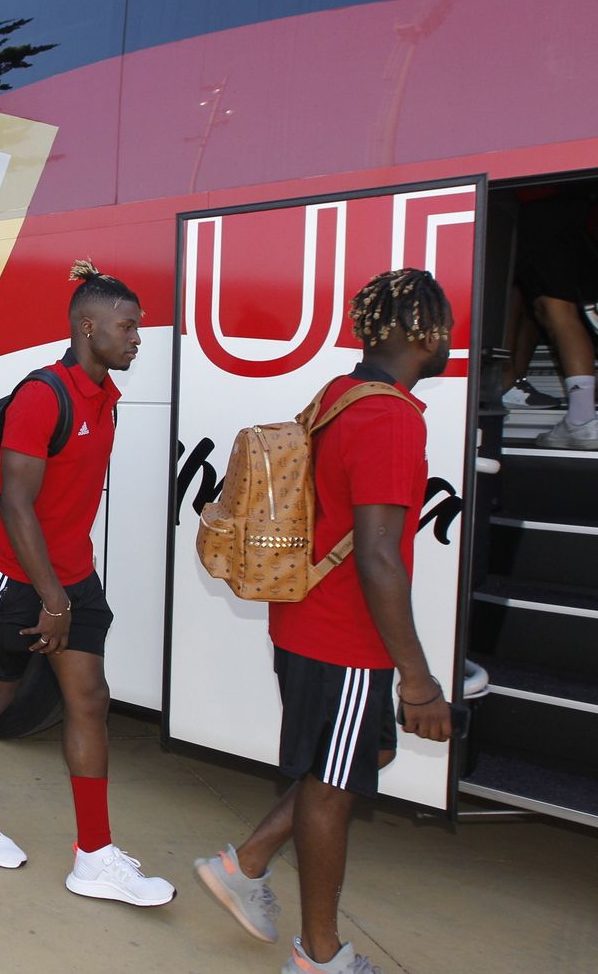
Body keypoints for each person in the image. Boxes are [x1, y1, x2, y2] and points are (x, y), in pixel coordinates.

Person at [194, 269, 456, 974]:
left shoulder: (341, 395)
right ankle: (318, 956)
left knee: (353, 760)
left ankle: (245, 864)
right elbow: (376, 554)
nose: (451, 333)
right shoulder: (391, 415)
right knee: (334, 787)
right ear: (413, 332)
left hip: (308, 622)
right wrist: (418, 679)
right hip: (343, 638)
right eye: (443, 319)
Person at [0, 262, 174, 907]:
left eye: (138, 328)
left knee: (89, 699)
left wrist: (68, 591)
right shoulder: (45, 395)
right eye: (127, 327)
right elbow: (16, 504)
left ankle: (94, 856)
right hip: (17, 574)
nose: (136, 339)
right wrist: (51, 597)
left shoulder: (107, 398)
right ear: (87, 326)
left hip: (71, 572)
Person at [515, 188, 598, 449]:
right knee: (542, 307)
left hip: (542, 204)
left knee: (557, 310)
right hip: (568, 203)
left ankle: (582, 419)